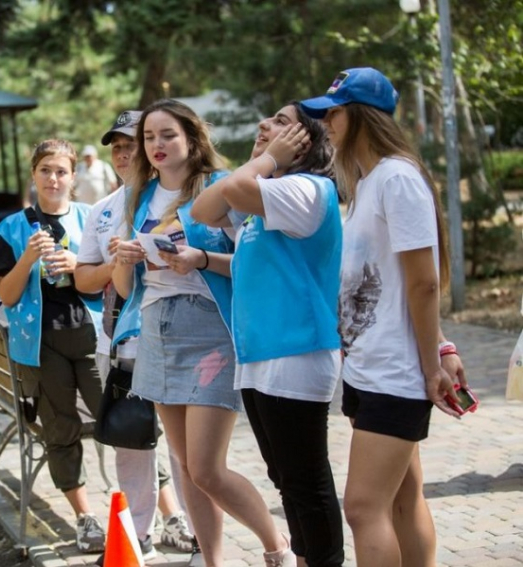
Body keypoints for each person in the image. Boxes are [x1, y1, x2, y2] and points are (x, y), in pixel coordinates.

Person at [111, 98, 295, 567]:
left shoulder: (225, 187)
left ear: (192, 138)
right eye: (149, 137)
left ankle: (277, 547)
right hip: (155, 330)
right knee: (189, 468)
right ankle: (213, 560)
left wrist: (201, 259)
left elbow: (255, 265)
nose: (156, 145)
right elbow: (122, 287)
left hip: (211, 330)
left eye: (167, 134)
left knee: (209, 469)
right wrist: (124, 258)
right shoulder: (137, 196)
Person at [300, 67, 466, 567]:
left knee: (362, 507)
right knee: (400, 498)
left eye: (334, 112)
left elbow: (424, 281)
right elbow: (397, 283)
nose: (325, 123)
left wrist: (432, 363)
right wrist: (438, 348)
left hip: (397, 372)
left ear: (362, 116)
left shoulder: (397, 177)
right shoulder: (370, 183)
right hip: (371, 367)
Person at [192, 102, 345, 566]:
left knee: (305, 481)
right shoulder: (267, 198)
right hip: (261, 354)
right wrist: (268, 159)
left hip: (296, 350)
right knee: (285, 477)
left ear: (307, 142)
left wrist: (268, 159)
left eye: (281, 122)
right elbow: (204, 208)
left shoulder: (306, 188)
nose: (265, 126)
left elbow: (235, 186)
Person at [74, 110, 195, 564]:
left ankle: (193, 522)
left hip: (181, 339)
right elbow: (85, 279)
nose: (125, 153)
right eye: (117, 147)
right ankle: (137, 532)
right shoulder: (104, 210)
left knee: (187, 446)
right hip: (120, 342)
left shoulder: (178, 199)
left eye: (132, 144)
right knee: (132, 439)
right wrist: (121, 260)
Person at [0, 138, 107, 554]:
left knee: (127, 420)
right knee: (61, 430)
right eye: (45, 171)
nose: (53, 179)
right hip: (41, 347)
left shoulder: (93, 218)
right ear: (33, 174)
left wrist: (78, 267)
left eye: (61, 171)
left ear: (74, 177)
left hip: (93, 339)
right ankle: (85, 517)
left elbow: (113, 275)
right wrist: (27, 260)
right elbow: (5, 295)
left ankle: (162, 511)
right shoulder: (14, 228)